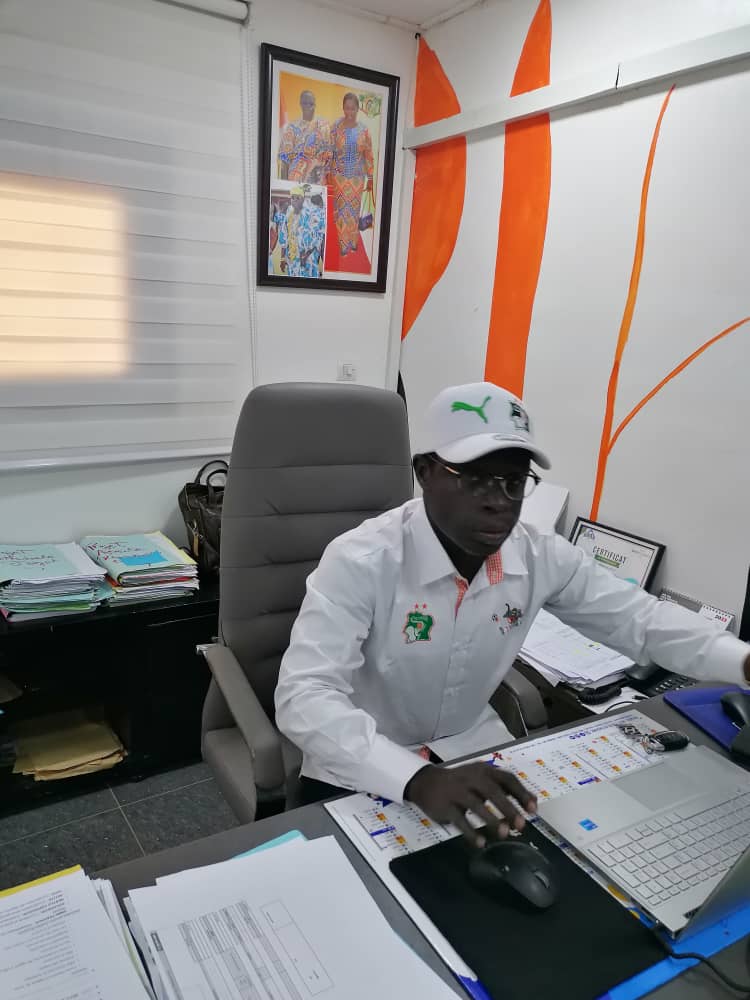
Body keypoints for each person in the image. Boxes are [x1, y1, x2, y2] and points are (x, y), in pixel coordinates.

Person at [275, 382, 750, 844]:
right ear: (425, 472)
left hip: (471, 752)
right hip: (360, 762)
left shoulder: (539, 554)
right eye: (474, 478)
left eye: (514, 482)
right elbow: (304, 696)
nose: (498, 502)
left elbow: (640, 620)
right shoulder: (362, 560)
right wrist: (415, 778)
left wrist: (742, 661)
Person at [329, 92, 374, 257]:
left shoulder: (364, 131)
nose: (349, 112)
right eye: (347, 108)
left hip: (357, 179)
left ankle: (353, 242)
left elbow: (368, 155)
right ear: (343, 108)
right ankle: (343, 245)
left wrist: (370, 177)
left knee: (353, 212)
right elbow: (329, 150)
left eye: (353, 108)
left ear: (357, 109)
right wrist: (327, 172)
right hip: (339, 177)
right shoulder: (336, 127)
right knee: (342, 211)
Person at [277, 90, 331, 184]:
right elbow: (284, 159)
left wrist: (316, 164)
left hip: (318, 179)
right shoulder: (292, 127)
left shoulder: (324, 125)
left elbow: (329, 157)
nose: (308, 106)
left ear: (315, 104)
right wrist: (284, 185)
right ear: (301, 104)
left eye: (311, 104)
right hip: (295, 180)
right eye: (305, 103)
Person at [279, 186, 321, 279]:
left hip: (308, 261)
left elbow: (317, 239)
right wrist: (282, 258)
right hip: (292, 261)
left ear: (303, 199)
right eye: (292, 197)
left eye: (297, 198)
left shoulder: (310, 216)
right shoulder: (288, 216)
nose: (294, 200)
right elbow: (284, 238)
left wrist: (306, 255)